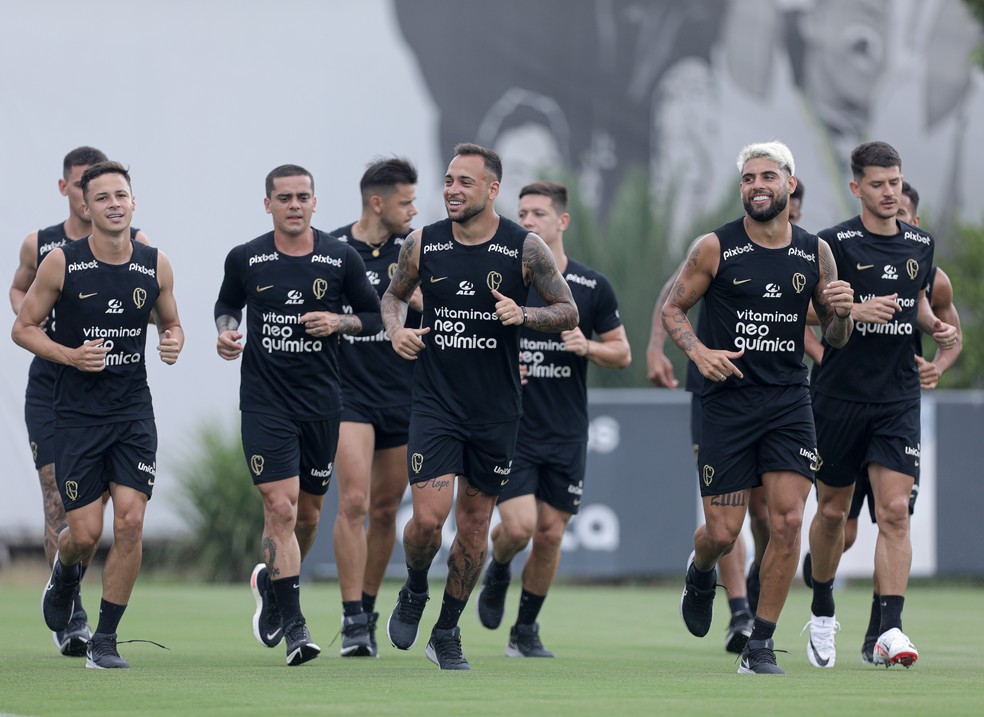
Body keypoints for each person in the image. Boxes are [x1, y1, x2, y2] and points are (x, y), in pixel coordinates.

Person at [380, 143, 578, 670]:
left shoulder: (525, 247)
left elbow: (567, 311)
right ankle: (416, 587)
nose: (451, 190)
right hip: (436, 404)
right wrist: (395, 330)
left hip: (496, 412)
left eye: (465, 182)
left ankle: (446, 632)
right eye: (448, 180)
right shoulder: (423, 243)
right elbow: (394, 294)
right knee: (427, 519)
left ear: (492, 190)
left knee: (473, 528)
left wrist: (524, 316)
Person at [663, 141, 855, 674]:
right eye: (748, 178)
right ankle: (701, 572)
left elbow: (835, 336)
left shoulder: (815, 251)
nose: (757, 185)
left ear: (789, 185)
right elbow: (673, 310)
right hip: (726, 403)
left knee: (788, 520)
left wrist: (840, 314)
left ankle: (761, 643)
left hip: (790, 401)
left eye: (768, 176)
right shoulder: (714, 247)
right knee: (723, 533)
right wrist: (699, 353)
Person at [12, 161, 183, 669]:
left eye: (121, 195)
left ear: (134, 203)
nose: (113, 203)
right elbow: (23, 328)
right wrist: (70, 355)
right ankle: (66, 575)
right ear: (85, 207)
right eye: (103, 197)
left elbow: (171, 323)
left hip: (132, 413)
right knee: (84, 534)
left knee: (130, 522)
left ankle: (104, 641)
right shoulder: (61, 262)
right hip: (77, 415)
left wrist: (172, 342)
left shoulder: (156, 264)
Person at [214, 164, 382, 666]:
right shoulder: (247, 257)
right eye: (283, 197)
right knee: (281, 509)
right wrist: (226, 331)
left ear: (314, 203)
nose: (293, 204)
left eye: (302, 196)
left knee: (307, 516)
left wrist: (338, 320)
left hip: (322, 405)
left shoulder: (339, 256)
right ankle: (296, 627)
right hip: (266, 403)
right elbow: (226, 305)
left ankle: (272, 585)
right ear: (267, 204)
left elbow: (372, 316)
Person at [803, 174, 962, 667]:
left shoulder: (920, 243)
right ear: (857, 188)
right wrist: (851, 309)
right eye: (878, 184)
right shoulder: (832, 243)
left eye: (895, 182)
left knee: (895, 512)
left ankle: (889, 629)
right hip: (839, 397)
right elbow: (805, 309)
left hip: (896, 397)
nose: (889, 192)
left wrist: (933, 327)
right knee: (833, 515)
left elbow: (916, 300)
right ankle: (823, 610)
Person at [475, 181, 630, 657]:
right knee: (519, 528)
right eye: (521, 213)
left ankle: (524, 632)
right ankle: (498, 564)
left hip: (565, 431)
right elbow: (472, 346)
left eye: (538, 213)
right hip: (513, 428)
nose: (527, 221)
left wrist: (590, 347)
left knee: (550, 534)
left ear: (562, 222)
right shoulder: (502, 280)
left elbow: (622, 353)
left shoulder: (589, 287)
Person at [647, 239, 757, 655]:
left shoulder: (805, 254)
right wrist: (657, 347)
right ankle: (739, 610)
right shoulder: (724, 247)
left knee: (768, 512)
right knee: (729, 520)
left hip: (778, 399)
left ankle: (756, 606)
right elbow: (673, 294)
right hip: (718, 395)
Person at [329, 157, 420, 657]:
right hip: (348, 395)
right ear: (377, 202)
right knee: (356, 502)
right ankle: (351, 622)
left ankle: (366, 606)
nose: (415, 210)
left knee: (385, 510)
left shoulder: (418, 252)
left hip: (403, 396)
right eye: (406, 202)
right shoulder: (332, 249)